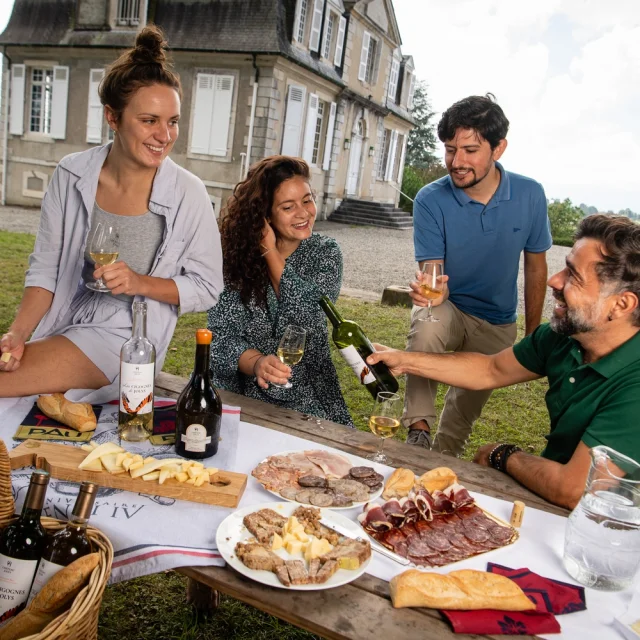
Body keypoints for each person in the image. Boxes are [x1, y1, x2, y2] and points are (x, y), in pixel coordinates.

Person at [0, 26, 223, 402]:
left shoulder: (189, 193)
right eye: (149, 120)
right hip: (67, 317)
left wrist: (139, 283)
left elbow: (207, 287)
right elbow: (45, 269)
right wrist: (18, 333)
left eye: (173, 121)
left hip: (127, 336)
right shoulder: (71, 173)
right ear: (113, 117)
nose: (165, 135)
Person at [368, 214, 640, 509]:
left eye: (573, 276)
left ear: (621, 304)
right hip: (554, 503)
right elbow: (490, 369)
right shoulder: (566, 335)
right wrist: (404, 360)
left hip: (612, 530)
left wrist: (502, 454)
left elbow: (572, 489)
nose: (553, 280)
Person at [405, 94, 552, 456]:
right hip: (450, 306)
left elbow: (536, 266)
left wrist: (533, 335)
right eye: (450, 150)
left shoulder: (530, 195)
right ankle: (417, 428)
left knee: (459, 422)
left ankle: (439, 461)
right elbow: (432, 273)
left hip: (497, 321)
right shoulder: (430, 199)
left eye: (470, 150)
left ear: (498, 148)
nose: (457, 162)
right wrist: (432, 293)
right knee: (427, 320)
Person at [208, 156, 352, 426]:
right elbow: (220, 339)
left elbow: (309, 316)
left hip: (309, 397)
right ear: (264, 215)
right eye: (288, 207)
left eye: (307, 200)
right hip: (241, 396)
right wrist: (257, 363)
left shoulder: (326, 253)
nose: (304, 213)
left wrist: (269, 251)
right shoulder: (233, 259)